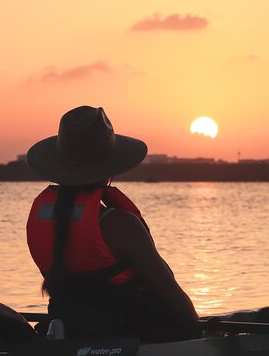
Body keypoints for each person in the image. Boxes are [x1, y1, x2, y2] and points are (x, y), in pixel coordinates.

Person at [26, 106, 200, 342]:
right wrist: (199, 334)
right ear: (109, 169)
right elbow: (177, 303)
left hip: (69, 334)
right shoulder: (120, 225)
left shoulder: (43, 220)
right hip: (127, 340)